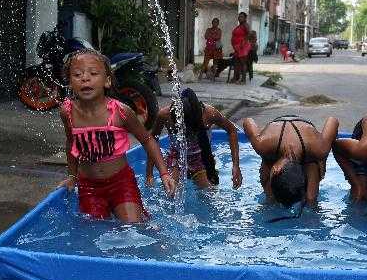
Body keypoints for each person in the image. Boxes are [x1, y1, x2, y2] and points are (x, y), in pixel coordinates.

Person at [58, 49, 175, 222]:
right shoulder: (67, 112)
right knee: (95, 232)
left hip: (121, 182)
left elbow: (147, 139)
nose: (85, 78)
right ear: (70, 83)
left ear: (106, 81)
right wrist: (72, 177)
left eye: (93, 73)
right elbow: (71, 143)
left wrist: (164, 173)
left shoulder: (120, 112)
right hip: (89, 187)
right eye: (77, 74)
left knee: (132, 227)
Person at [147, 88, 242, 189]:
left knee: (209, 196)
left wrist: (236, 166)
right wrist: (149, 173)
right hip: (177, 157)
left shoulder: (209, 113)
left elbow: (232, 130)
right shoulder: (165, 115)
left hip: (201, 158)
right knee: (170, 192)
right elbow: (152, 140)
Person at [243, 115, 339, 210]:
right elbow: (247, 121)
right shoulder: (263, 144)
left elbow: (333, 121)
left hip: (307, 148)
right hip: (275, 144)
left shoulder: (318, 150)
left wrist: (322, 161)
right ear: (276, 169)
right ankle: (271, 200)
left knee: (311, 199)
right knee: (270, 196)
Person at [230, 12, 251, 84]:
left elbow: (249, 34)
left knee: (243, 63)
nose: (239, 18)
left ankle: (243, 80)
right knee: (236, 63)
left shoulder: (245, 25)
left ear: (245, 18)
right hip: (237, 47)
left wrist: (243, 42)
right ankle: (235, 78)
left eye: (241, 17)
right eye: (239, 16)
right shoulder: (239, 26)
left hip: (243, 46)